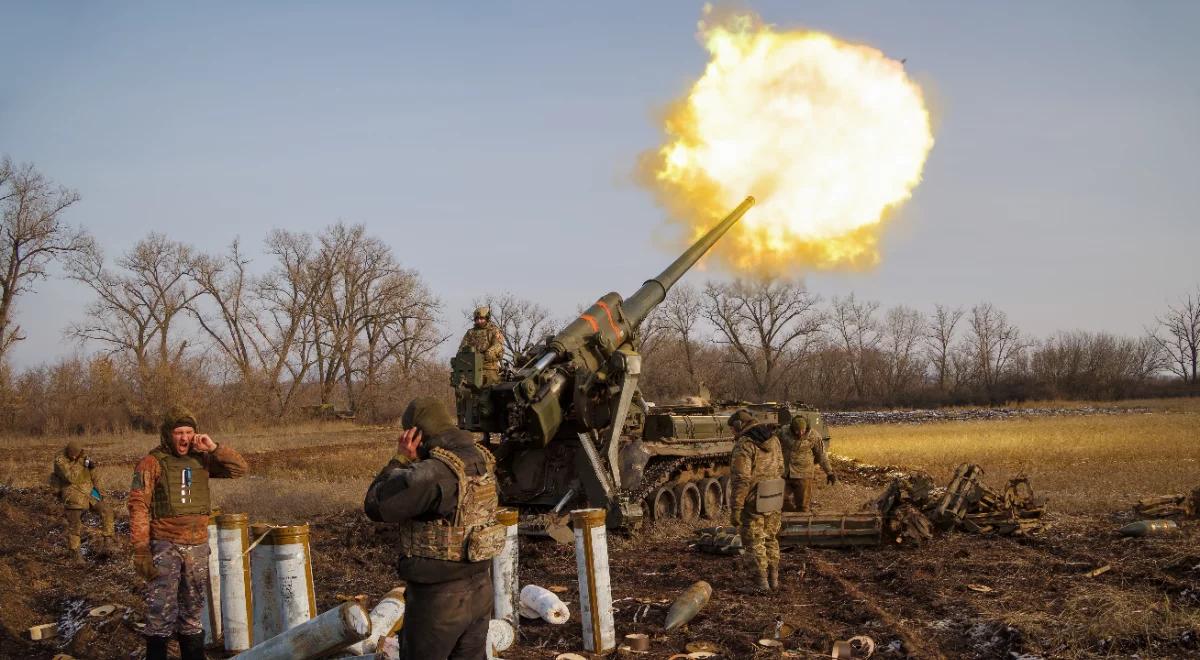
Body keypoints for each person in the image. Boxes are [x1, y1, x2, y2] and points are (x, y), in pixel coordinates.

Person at [364, 397, 505, 660]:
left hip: (439, 601)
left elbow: (376, 505)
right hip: (480, 590)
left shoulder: (434, 473)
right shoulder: (481, 459)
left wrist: (401, 459)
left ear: (415, 433)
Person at [128, 407, 247, 660]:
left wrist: (213, 447)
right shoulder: (152, 463)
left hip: (197, 546)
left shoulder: (202, 458)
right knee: (160, 613)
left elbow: (239, 469)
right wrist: (140, 550)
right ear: (167, 435)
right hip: (165, 546)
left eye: (188, 432)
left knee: (193, 614)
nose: (183, 438)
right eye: (178, 432)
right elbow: (138, 505)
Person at [727, 409, 785, 593]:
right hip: (774, 495)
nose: (732, 433)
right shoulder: (774, 439)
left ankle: (761, 584)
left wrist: (736, 507)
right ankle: (774, 580)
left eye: (732, 429)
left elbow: (741, 479)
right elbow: (782, 467)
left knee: (753, 542)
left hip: (754, 500)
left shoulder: (745, 444)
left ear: (738, 426)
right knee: (770, 538)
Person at [52, 440, 115, 559]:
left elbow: (95, 476)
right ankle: (75, 553)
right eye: (73, 454)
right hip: (72, 494)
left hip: (89, 493)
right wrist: (82, 463)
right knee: (75, 526)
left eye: (78, 454)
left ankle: (108, 542)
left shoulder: (84, 457)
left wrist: (102, 493)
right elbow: (71, 477)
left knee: (107, 511)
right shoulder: (60, 460)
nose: (75, 456)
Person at [779, 416, 836, 513]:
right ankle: (786, 522)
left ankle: (801, 524)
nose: (800, 433)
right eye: (797, 431)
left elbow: (821, 455)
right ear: (792, 429)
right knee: (779, 501)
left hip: (804, 475)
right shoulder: (783, 432)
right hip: (785, 474)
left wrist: (829, 472)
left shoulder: (814, 435)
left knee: (803, 506)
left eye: (803, 430)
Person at [459, 306, 505, 385]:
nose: (479, 321)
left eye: (481, 318)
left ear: (487, 318)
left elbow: (498, 345)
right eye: (477, 319)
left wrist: (490, 352)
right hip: (471, 367)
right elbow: (462, 348)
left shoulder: (493, 331)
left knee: (490, 386)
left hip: (489, 367)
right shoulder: (470, 332)